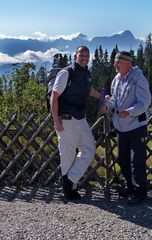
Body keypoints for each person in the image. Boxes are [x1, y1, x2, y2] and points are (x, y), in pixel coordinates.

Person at [101, 51, 152, 204]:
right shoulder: (117, 79)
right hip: (121, 127)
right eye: (115, 61)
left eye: (118, 62)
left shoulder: (138, 78)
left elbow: (145, 102)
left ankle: (140, 193)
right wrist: (107, 105)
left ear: (128, 63)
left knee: (136, 161)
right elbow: (115, 100)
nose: (115, 64)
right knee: (123, 160)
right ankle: (130, 187)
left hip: (137, 126)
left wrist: (129, 112)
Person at [50, 46, 100, 200]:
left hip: (81, 119)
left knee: (89, 149)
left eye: (87, 54)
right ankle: (69, 189)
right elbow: (54, 97)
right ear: (74, 56)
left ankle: (68, 180)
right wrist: (56, 121)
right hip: (66, 120)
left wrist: (102, 97)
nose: (84, 57)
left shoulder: (85, 73)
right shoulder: (66, 73)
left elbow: (88, 89)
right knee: (68, 156)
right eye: (81, 54)